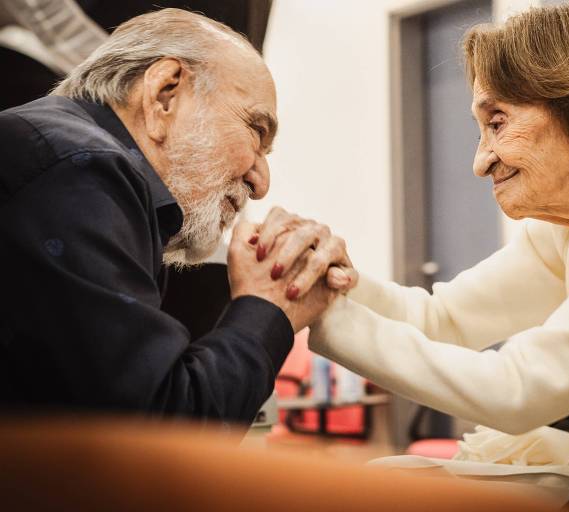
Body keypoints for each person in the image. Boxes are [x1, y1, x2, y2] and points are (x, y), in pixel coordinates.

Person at [257, 4, 569, 511]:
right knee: (391, 481)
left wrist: (316, 307)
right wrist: (329, 276)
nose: (480, 162)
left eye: (497, 123)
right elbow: (442, 318)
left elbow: (516, 391)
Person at [0, 9, 354, 424]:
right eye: (256, 132)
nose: (261, 183)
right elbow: (156, 433)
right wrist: (268, 305)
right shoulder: (82, 169)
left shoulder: (65, 156)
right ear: (165, 94)